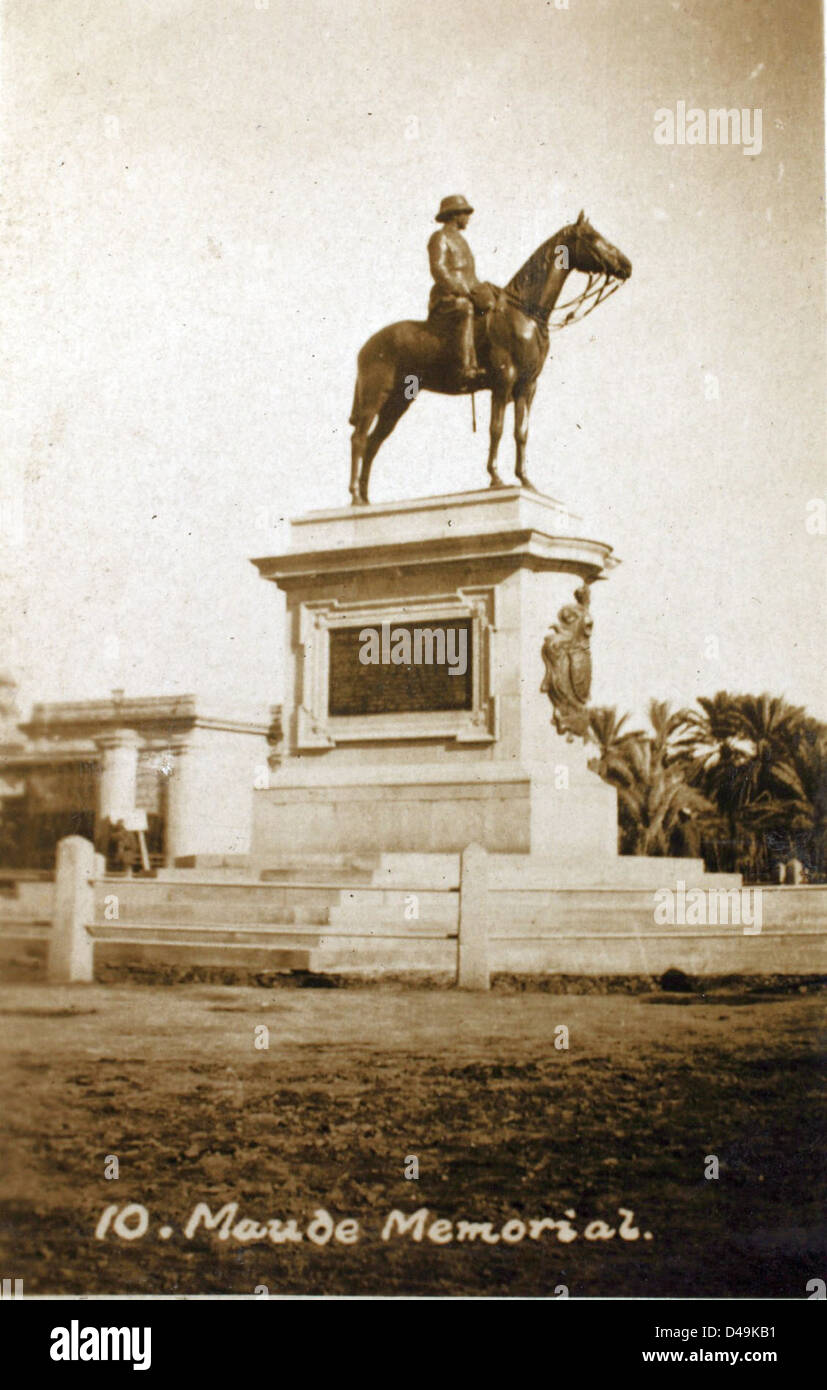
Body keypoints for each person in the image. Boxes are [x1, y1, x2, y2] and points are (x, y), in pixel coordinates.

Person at [427, 195, 494, 386]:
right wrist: (461, 290)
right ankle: (466, 366)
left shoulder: (461, 240)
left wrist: (481, 290)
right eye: (465, 213)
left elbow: (469, 274)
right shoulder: (440, 237)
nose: (468, 218)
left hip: (468, 291)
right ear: (455, 215)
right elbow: (438, 269)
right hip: (447, 297)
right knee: (465, 309)